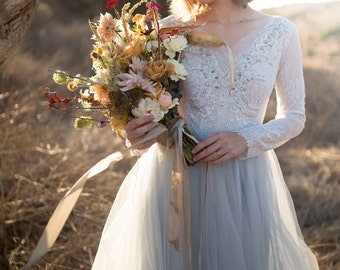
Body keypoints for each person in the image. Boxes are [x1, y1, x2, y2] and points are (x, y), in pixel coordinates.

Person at [92, 0, 319, 269]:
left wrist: (246, 139)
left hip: (246, 181)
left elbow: (294, 117)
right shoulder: (165, 31)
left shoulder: (281, 31)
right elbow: (146, 105)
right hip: (177, 176)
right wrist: (134, 129)